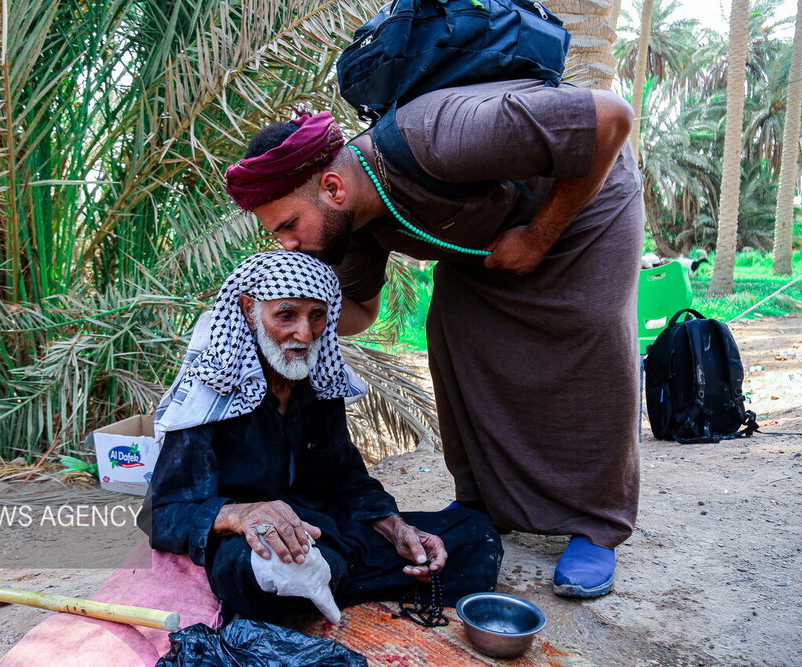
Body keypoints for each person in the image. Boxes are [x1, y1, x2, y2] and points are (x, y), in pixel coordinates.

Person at [223, 80, 642, 598]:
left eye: (288, 225)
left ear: (333, 188)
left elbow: (611, 118)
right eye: (276, 236)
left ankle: (597, 525)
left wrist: (537, 238)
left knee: (590, 334)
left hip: (581, 204)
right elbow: (358, 314)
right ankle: (484, 499)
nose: (288, 243)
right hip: (482, 243)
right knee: (454, 337)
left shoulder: (438, 134)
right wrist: (280, 311)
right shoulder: (344, 225)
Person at [148, 251, 503, 619]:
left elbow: (348, 479)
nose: (304, 334)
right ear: (249, 310)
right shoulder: (210, 396)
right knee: (261, 573)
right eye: (286, 315)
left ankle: (329, 581)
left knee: (474, 532)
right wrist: (241, 514)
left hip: (329, 530)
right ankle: (329, 581)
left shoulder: (319, 384)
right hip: (259, 545)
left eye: (317, 316)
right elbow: (161, 516)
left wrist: (395, 528)